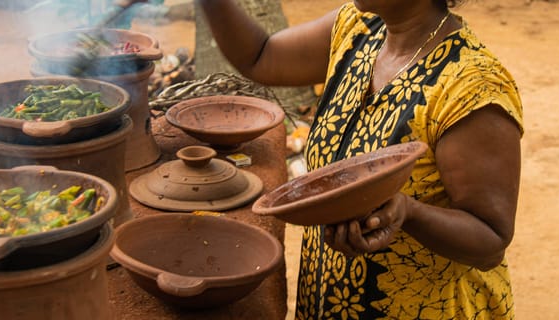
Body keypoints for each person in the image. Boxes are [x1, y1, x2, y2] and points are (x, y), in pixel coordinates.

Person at [196, 0, 524, 318]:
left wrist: (408, 213)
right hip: (331, 301)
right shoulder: (358, 29)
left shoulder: (470, 88)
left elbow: (490, 239)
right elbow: (261, 56)